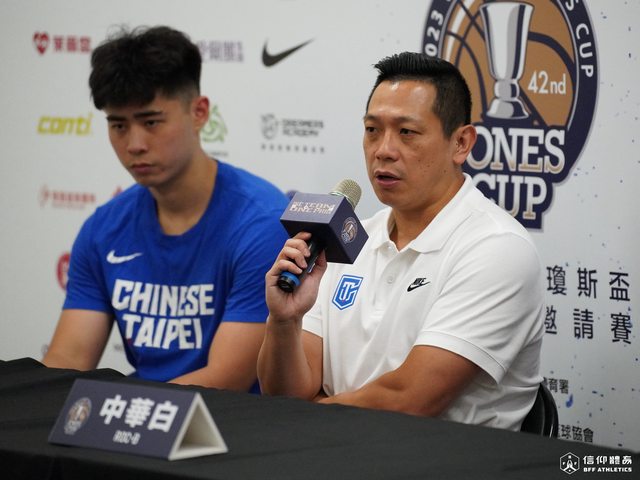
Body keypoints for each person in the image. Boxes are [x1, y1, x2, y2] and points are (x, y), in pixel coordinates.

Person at [257, 52, 544, 430]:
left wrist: (312, 412)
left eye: (406, 132)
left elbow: (409, 399)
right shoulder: (349, 240)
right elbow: (285, 396)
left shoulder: (497, 248)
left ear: (461, 143)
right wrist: (284, 321)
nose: (383, 150)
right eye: (372, 130)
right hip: (332, 448)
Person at [43, 26, 289, 392]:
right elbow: (67, 360)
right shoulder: (103, 228)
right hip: (135, 412)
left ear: (199, 112)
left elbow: (227, 378)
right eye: (118, 125)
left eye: (151, 122)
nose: (135, 144)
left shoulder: (262, 223)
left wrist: (115, 410)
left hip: (230, 420)